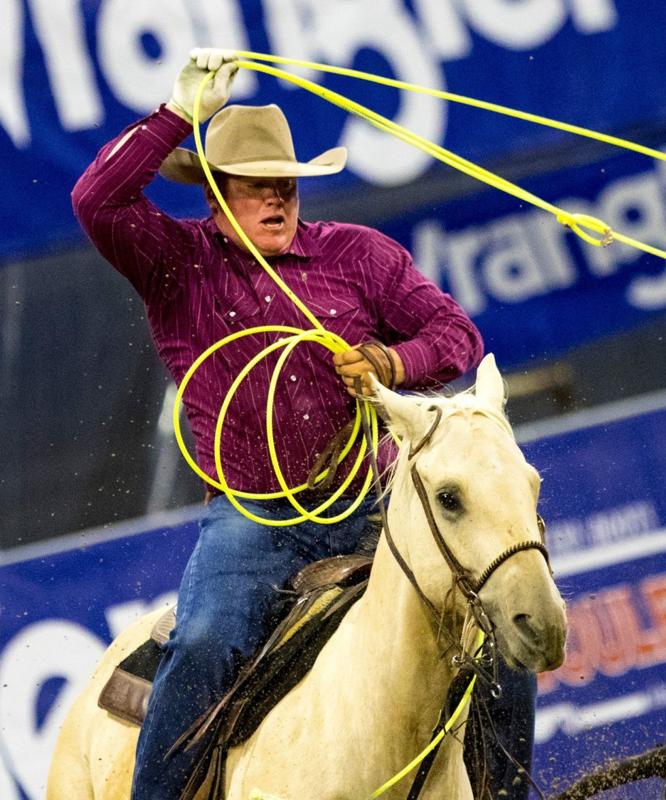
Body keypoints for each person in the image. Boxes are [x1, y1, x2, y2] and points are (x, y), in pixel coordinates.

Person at [72, 48, 534, 799]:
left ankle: (505, 792)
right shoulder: (175, 265)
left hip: (372, 506)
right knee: (207, 641)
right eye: (259, 187)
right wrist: (174, 117)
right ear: (219, 197)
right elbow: (97, 200)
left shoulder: (358, 255)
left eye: (287, 184)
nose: (280, 199)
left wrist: (389, 364)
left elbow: (456, 337)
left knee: (499, 631)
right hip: (253, 519)